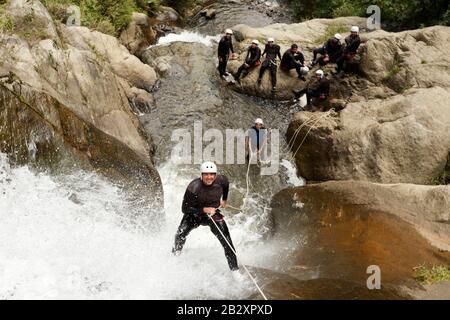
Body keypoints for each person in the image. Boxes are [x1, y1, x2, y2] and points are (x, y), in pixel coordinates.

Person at [172, 162, 239, 271]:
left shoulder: (222, 180)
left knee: (227, 242)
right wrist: (203, 209)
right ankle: (174, 258)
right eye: (206, 174)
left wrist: (225, 200)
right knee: (180, 234)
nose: (209, 177)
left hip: (212, 214)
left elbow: (226, 186)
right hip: (194, 214)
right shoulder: (194, 187)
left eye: (212, 174)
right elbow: (184, 209)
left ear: (215, 175)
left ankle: (235, 271)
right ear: (201, 175)